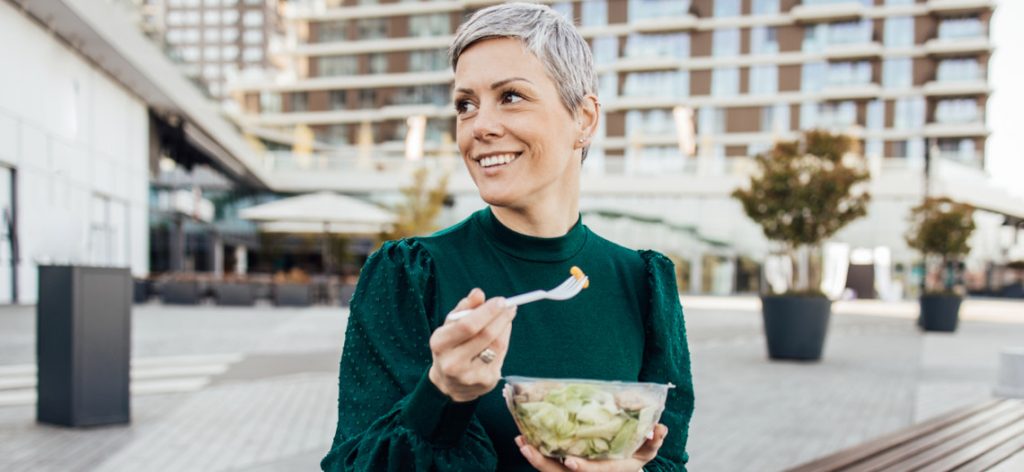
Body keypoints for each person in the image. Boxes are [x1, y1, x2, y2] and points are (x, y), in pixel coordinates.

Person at [321, 3, 693, 471]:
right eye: (466, 105)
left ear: (584, 119)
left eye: (511, 96)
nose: (481, 126)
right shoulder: (410, 275)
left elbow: (669, 460)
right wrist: (443, 395)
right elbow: (355, 464)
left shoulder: (642, 282)